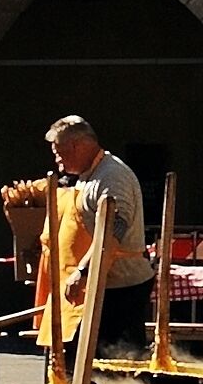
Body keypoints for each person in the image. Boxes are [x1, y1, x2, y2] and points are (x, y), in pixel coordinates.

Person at [37, 115, 155, 357]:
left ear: (77, 146)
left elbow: (113, 231)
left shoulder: (111, 176)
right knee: (81, 356)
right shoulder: (87, 176)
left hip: (121, 287)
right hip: (100, 281)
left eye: (59, 153)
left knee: (117, 361)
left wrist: (82, 271)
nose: (57, 160)